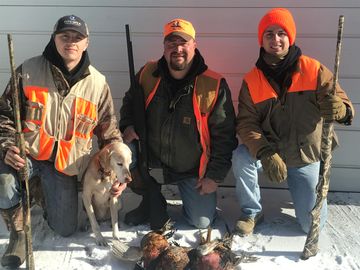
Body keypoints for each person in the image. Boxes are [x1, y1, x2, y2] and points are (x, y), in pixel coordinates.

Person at [0, 15, 123, 268]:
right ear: (54, 38)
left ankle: (39, 193)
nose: (71, 42)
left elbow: (110, 134)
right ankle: (19, 233)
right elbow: (4, 116)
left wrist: (118, 172)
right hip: (28, 156)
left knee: (65, 228)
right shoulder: (28, 71)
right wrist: (7, 147)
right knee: (4, 183)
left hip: (63, 166)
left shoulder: (98, 84)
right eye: (64, 36)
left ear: (86, 42)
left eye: (77, 38)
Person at [232, 8, 355, 235]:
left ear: (290, 37)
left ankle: (309, 190)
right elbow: (246, 124)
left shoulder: (314, 69)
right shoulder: (252, 80)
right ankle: (251, 211)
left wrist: (340, 109)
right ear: (262, 39)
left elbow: (346, 107)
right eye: (269, 34)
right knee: (241, 156)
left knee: (310, 227)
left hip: (305, 155)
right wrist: (265, 153)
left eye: (281, 33)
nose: (275, 39)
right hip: (271, 150)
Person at [119, 18, 237, 230]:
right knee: (122, 150)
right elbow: (129, 104)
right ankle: (150, 198)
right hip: (152, 160)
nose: (178, 49)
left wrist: (214, 177)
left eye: (183, 43)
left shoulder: (213, 84)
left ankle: (171, 197)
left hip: (190, 169)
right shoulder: (147, 73)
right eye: (171, 43)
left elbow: (225, 136)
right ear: (164, 47)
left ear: (194, 45)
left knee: (201, 222)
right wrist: (127, 126)